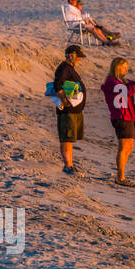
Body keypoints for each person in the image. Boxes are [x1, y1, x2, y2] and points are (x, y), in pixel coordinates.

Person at [101, 56, 135, 186]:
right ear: (117, 68)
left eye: (126, 66)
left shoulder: (121, 81)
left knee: (129, 147)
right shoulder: (112, 82)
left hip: (129, 116)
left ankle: (121, 174)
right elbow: (127, 92)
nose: (126, 69)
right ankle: (120, 177)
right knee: (123, 147)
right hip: (121, 117)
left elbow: (134, 86)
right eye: (124, 67)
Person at [53, 45, 88, 175]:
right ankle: (68, 166)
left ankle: (70, 164)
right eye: (78, 56)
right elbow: (58, 86)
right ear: (71, 55)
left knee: (70, 138)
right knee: (66, 138)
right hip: (67, 111)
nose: (80, 59)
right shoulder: (64, 68)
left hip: (73, 111)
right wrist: (65, 103)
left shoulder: (69, 68)